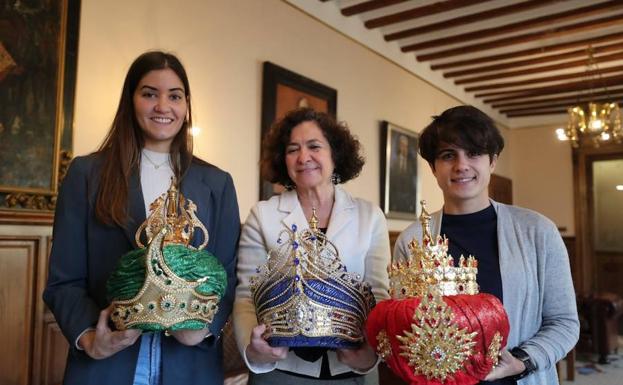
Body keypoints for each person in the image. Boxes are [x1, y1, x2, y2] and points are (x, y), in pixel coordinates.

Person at [42, 51, 240, 385]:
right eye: (149, 94)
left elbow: (229, 276)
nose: (163, 106)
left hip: (189, 365)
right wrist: (91, 337)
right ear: (131, 100)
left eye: (174, 96)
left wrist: (206, 329)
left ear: (186, 104)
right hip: (107, 364)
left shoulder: (218, 184)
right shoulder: (86, 174)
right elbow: (64, 280)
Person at [393, 105, 579, 385]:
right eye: (448, 155)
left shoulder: (537, 232)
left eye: (474, 153)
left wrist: (522, 361)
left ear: (492, 161)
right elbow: (403, 324)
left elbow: (564, 322)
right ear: (433, 168)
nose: (461, 165)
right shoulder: (413, 240)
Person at [233, 108, 390, 385]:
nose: (304, 157)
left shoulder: (369, 215)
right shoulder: (263, 215)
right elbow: (247, 295)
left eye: (314, 146)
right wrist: (255, 350)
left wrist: (370, 354)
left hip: (353, 369)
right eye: (293, 149)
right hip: (280, 370)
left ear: (335, 154)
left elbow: (379, 293)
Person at [388, 132, 417, 214]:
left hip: (407, 199)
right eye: (402, 145)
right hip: (396, 198)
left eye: (406, 146)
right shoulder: (394, 162)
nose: (404, 148)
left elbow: (412, 184)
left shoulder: (411, 163)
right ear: (399, 146)